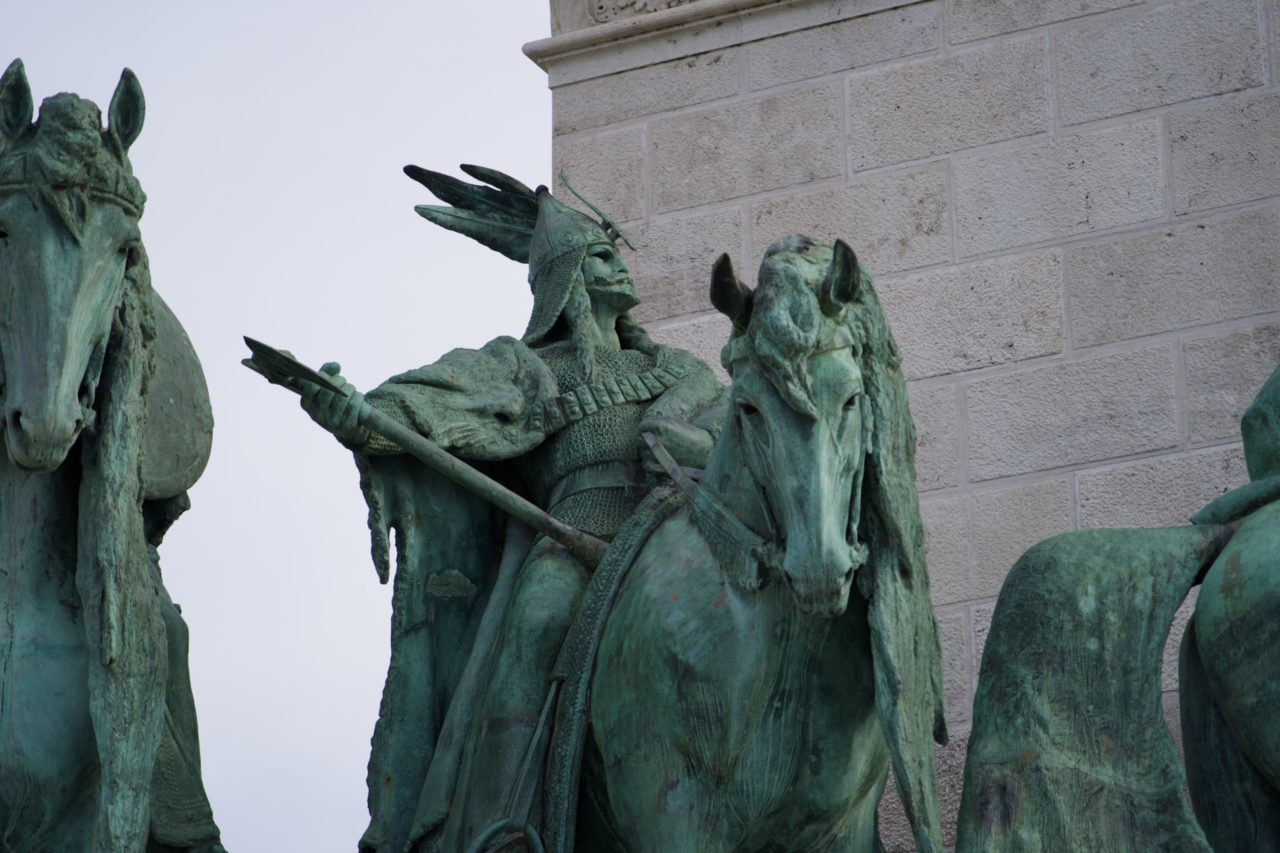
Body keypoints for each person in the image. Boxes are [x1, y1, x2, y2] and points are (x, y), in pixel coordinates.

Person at [297, 166, 722, 853]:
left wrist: (682, 443)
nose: (623, 263)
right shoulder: (528, 371)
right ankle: (506, 820)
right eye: (603, 256)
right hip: (573, 538)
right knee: (534, 627)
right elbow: (435, 399)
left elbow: (711, 432)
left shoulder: (680, 369)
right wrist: (360, 414)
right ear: (571, 281)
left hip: (664, 539)